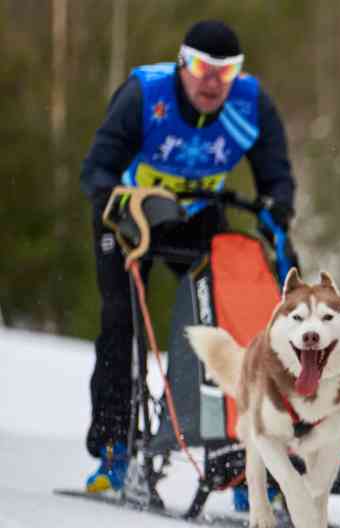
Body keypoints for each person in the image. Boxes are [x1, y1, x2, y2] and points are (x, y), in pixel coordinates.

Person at [80, 20, 297, 497]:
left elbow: (276, 175)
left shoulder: (249, 103)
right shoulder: (145, 95)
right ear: (182, 64)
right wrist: (110, 197)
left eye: (226, 71)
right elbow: (97, 166)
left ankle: (238, 456)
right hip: (131, 212)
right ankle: (115, 449)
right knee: (121, 324)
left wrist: (276, 208)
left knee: (226, 326)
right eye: (201, 67)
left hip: (198, 215)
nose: (211, 81)